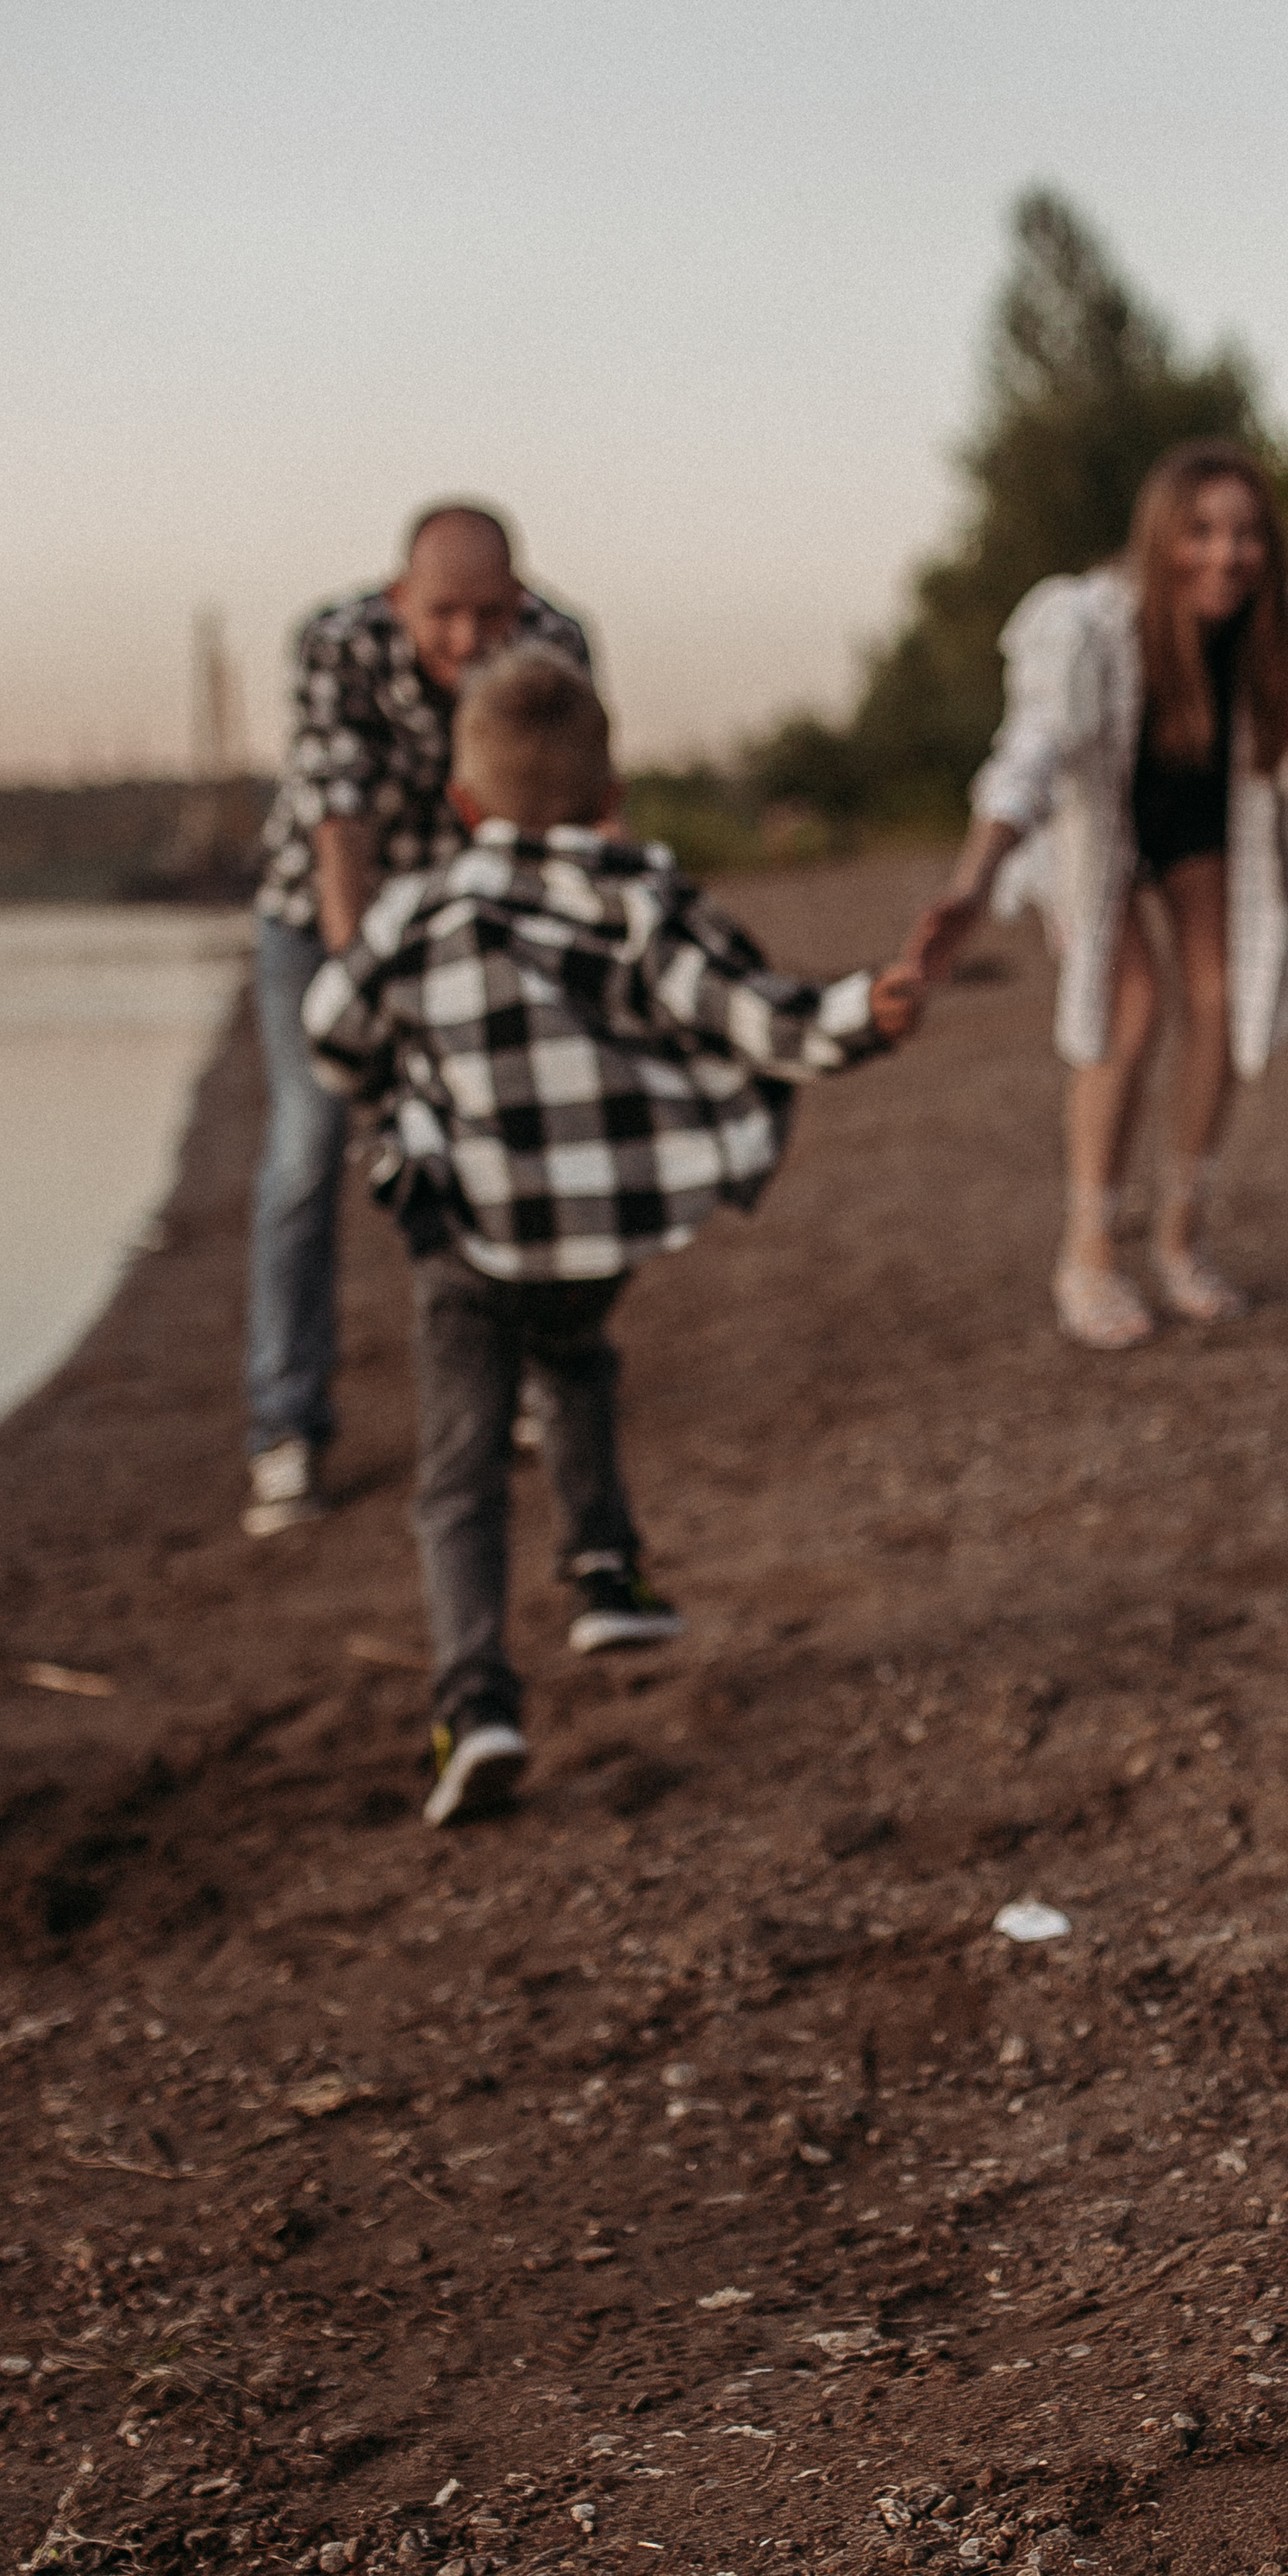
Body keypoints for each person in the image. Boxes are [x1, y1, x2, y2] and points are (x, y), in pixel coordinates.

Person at [302, 645, 923, 1827]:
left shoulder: (418, 910)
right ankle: (602, 1567)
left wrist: (403, 1074)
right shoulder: (642, 898)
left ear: (463, 804)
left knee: (460, 1473)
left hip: (470, 1230)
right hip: (597, 1229)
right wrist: (865, 1012)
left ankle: (474, 1701)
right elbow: (760, 1017)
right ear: (610, 796)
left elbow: (330, 1030)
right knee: (577, 1357)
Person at [911, 440, 1288, 1346]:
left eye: (1247, 533)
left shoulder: (1285, 631)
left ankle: (1181, 1234)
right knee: (1131, 1010)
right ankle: (1090, 1249)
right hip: (1099, 822)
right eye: (1201, 531)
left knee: (1220, 998)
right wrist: (971, 884)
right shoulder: (1089, 625)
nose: (1226, 554)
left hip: (1198, 821)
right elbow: (1030, 756)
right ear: (1160, 536)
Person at [243, 503, 591, 1539]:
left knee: (503, 1142)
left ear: (520, 596)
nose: (468, 641)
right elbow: (337, 825)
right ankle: (286, 1428)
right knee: (310, 1151)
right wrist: (363, 989)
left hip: (474, 922)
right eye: (444, 614)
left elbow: (571, 806)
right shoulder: (334, 642)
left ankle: (526, 1376)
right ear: (401, 598)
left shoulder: (558, 643)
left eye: (491, 614)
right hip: (324, 923)